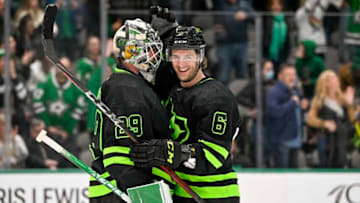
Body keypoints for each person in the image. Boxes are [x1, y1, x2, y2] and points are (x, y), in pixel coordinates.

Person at [130, 26, 241, 203]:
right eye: (176, 56)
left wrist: (173, 152)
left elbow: (213, 156)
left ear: (200, 57)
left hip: (214, 196)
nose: (181, 64)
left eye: (188, 56)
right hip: (181, 194)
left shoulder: (216, 97)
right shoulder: (173, 91)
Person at [88, 18, 171, 202]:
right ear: (133, 52)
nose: (155, 55)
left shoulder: (134, 85)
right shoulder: (125, 90)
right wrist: (149, 197)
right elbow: (119, 157)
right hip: (119, 194)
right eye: (149, 49)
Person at [307, 70, 355, 167]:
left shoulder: (342, 98)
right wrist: (324, 123)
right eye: (333, 77)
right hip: (326, 141)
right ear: (326, 83)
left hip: (341, 140)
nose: (337, 79)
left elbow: (352, 120)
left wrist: (350, 104)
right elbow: (310, 119)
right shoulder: (319, 100)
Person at [266, 64, 306, 168]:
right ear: (280, 76)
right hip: (282, 140)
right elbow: (274, 112)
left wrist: (305, 105)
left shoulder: (296, 91)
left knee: (294, 174)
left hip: (295, 139)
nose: (292, 77)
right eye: (288, 74)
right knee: (283, 174)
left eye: (294, 74)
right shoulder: (274, 92)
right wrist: (292, 103)